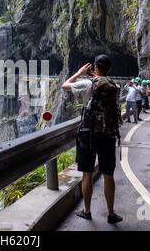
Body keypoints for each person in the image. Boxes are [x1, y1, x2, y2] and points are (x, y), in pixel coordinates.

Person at [62, 55, 123, 224]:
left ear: (94, 66)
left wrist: (79, 73)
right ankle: (111, 214)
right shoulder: (115, 86)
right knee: (108, 175)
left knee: (87, 174)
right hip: (108, 135)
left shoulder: (87, 84)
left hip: (88, 135)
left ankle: (87, 211)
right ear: (108, 69)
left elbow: (65, 85)